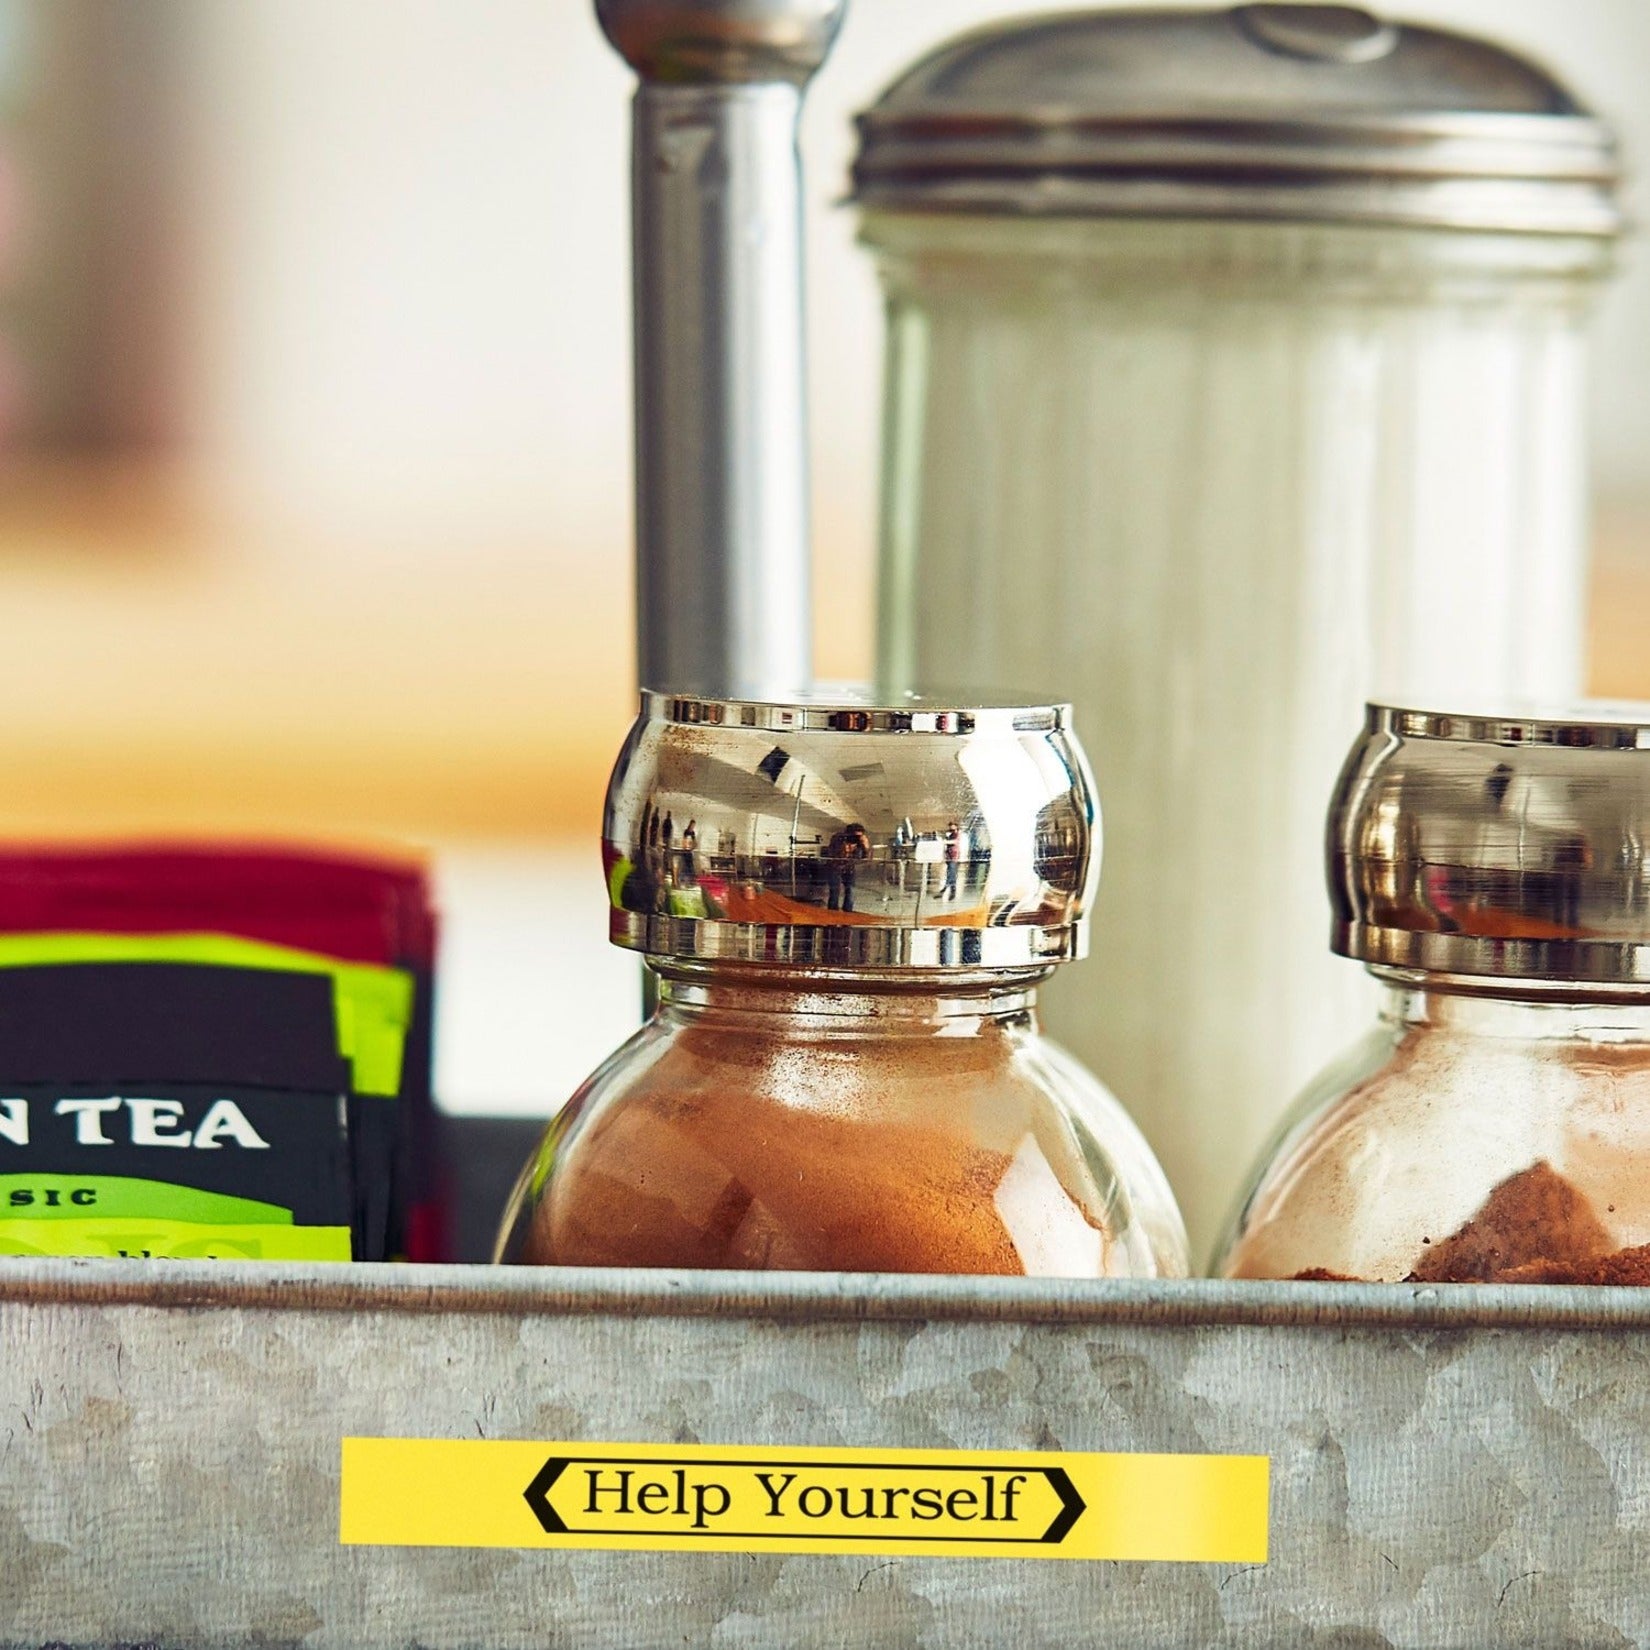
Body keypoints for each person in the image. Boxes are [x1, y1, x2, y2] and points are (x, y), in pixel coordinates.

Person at [825, 824, 871, 913]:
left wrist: (866, 847)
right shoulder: (838, 838)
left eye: (859, 836)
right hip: (834, 867)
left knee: (850, 891)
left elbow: (865, 859)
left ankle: (848, 913)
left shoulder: (859, 842)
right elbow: (837, 853)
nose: (855, 838)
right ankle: (832, 914)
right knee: (835, 891)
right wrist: (846, 846)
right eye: (854, 836)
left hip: (849, 868)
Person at [942, 820, 962, 900]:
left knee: (952, 873)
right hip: (950, 856)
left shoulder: (957, 834)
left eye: (952, 826)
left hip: (953, 856)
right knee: (950, 872)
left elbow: (954, 842)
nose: (951, 827)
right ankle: (949, 887)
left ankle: (949, 888)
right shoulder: (951, 834)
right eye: (950, 826)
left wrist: (945, 841)